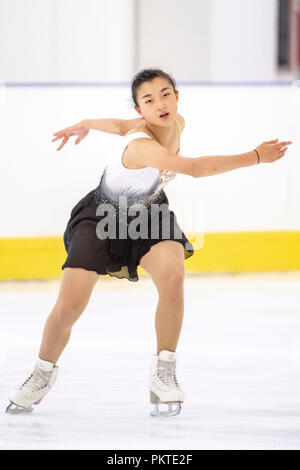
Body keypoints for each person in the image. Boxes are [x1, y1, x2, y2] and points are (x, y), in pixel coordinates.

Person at [5, 68, 292, 417]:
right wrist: (256, 156)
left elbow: (116, 124)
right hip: (102, 218)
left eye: (166, 93)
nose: (160, 103)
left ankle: (164, 372)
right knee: (69, 306)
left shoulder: (175, 121)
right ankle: (42, 373)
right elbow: (196, 169)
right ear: (140, 109)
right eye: (149, 99)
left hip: (149, 212)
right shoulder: (141, 143)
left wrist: (85, 122)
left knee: (172, 278)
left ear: (176, 95)